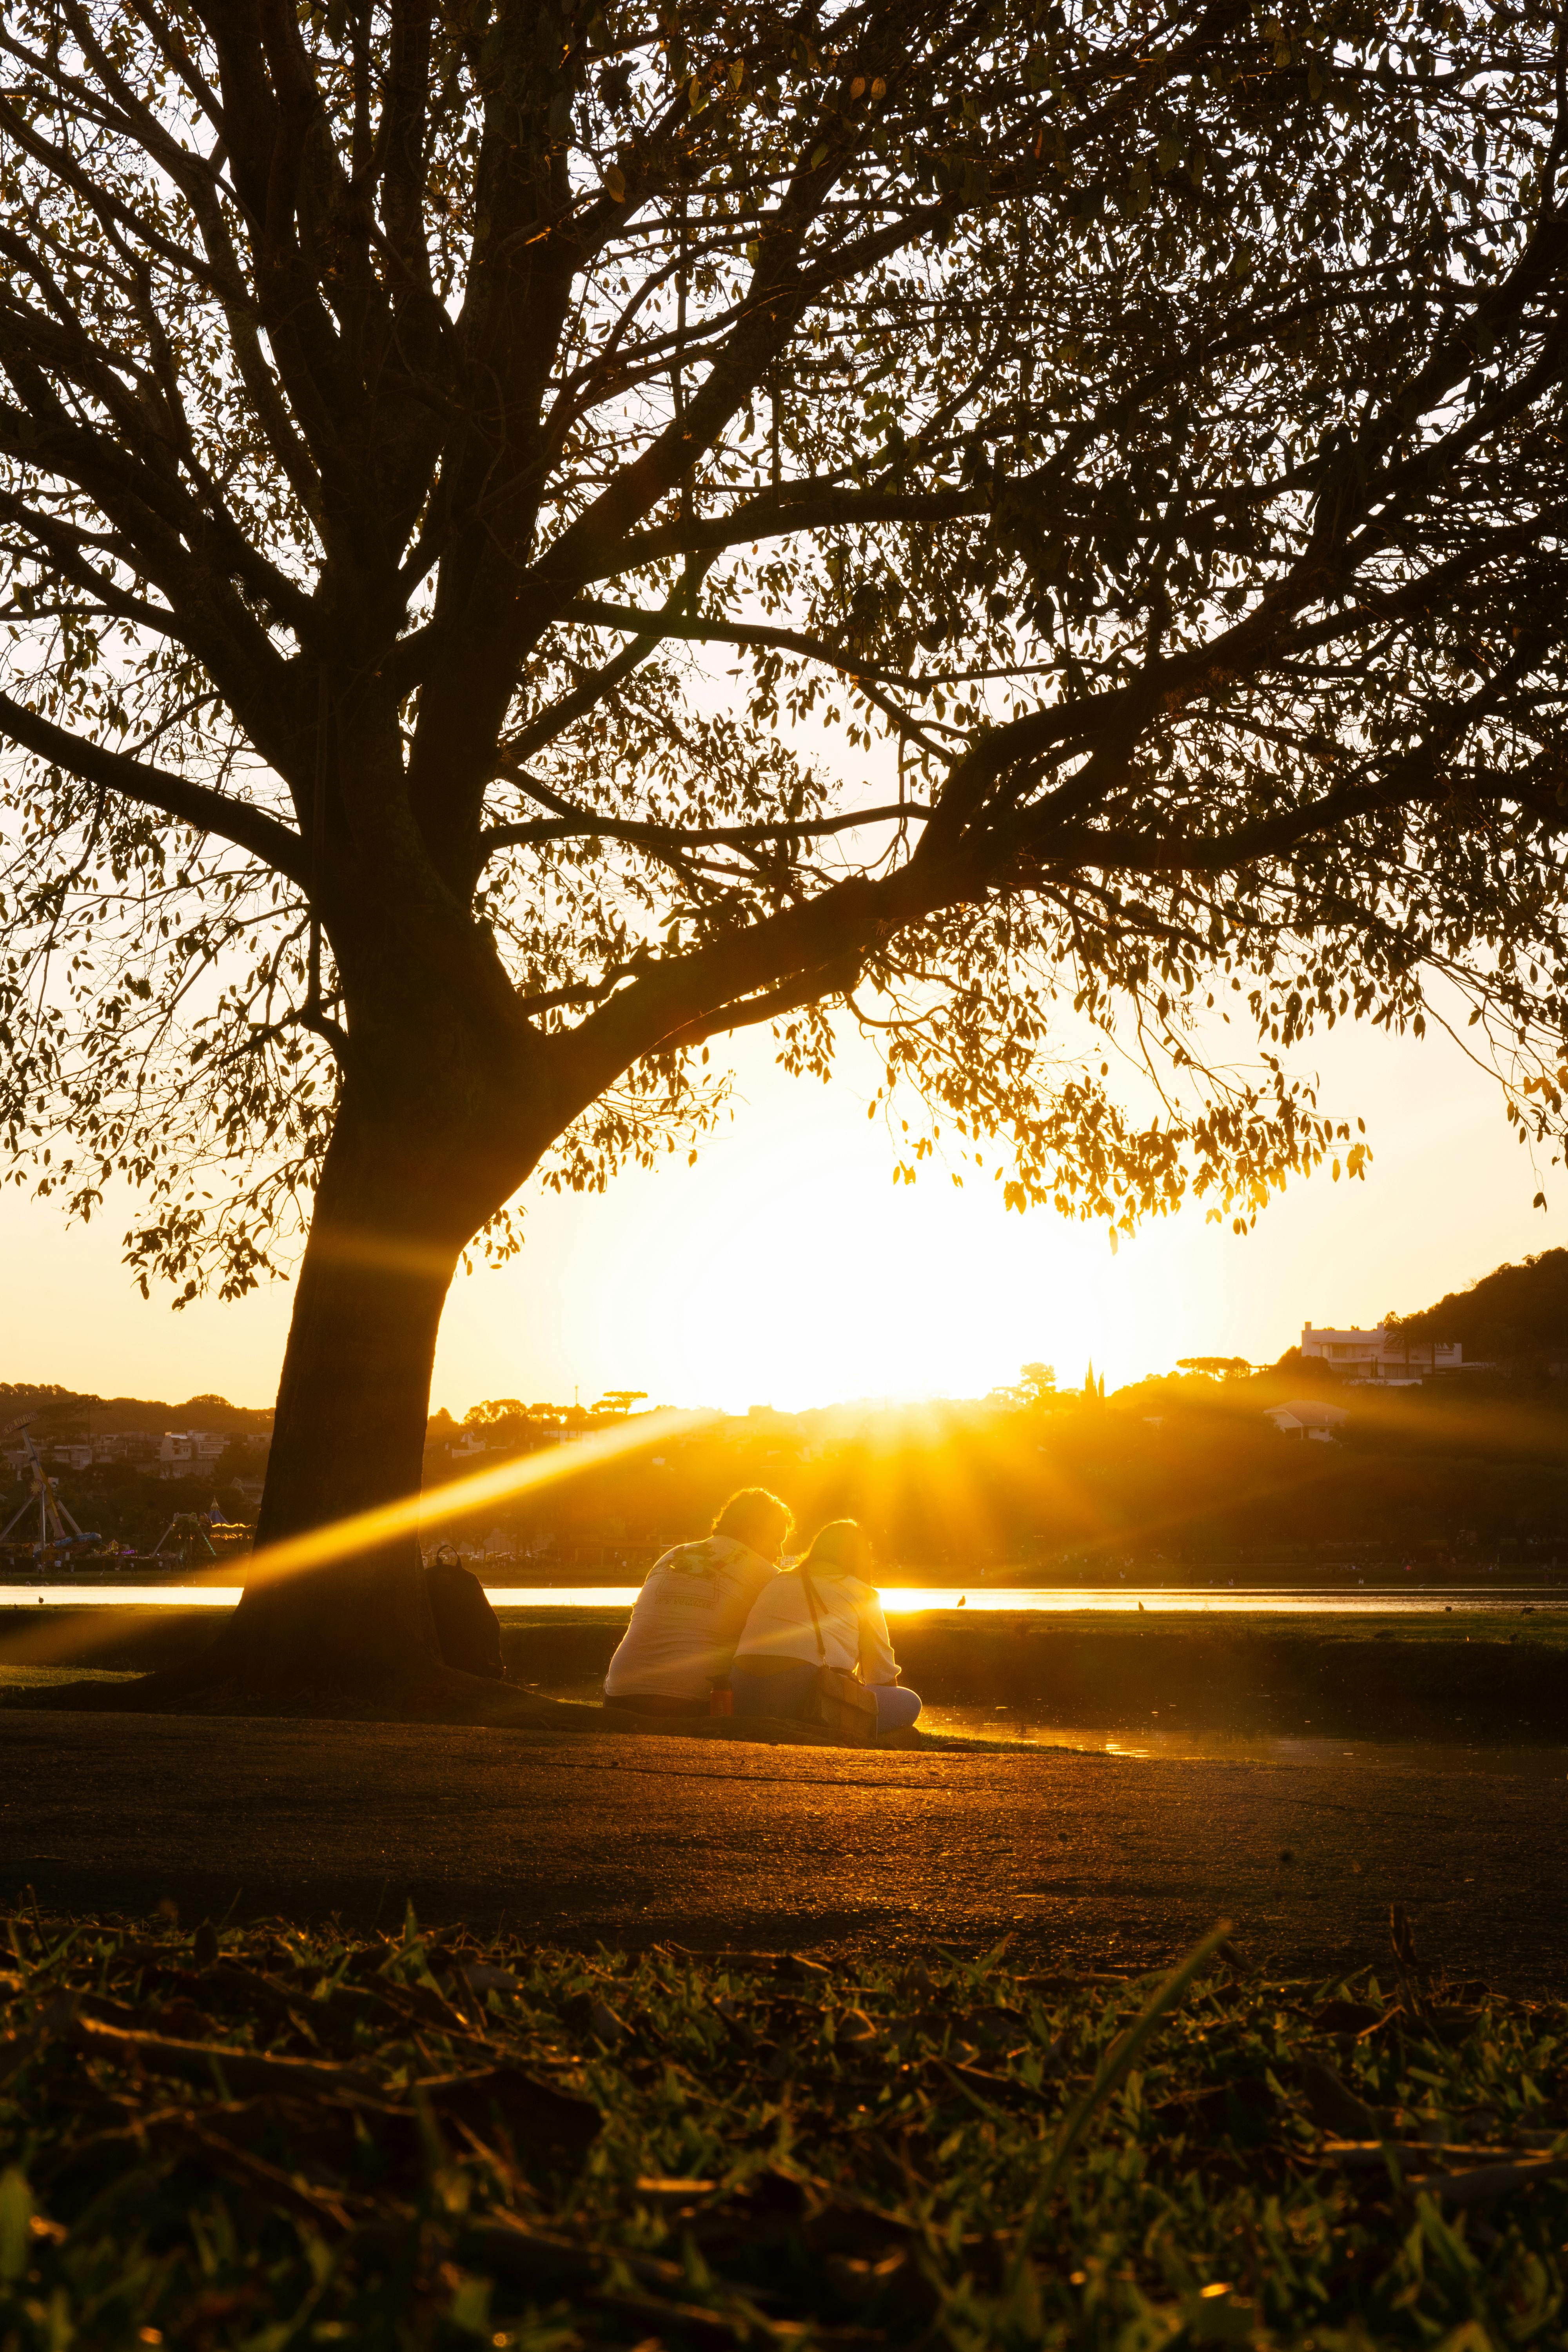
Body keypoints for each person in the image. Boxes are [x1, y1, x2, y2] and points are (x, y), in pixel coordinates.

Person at [602, 1488, 792, 1717]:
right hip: (691, 1700)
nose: (780, 1552)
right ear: (754, 1535)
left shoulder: (674, 1555)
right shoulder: (767, 1574)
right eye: (777, 1540)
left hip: (619, 1693)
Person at [730, 1519, 922, 1732]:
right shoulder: (863, 1593)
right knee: (909, 1701)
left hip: (742, 1694)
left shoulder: (778, 1581)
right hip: (805, 1703)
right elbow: (884, 1678)